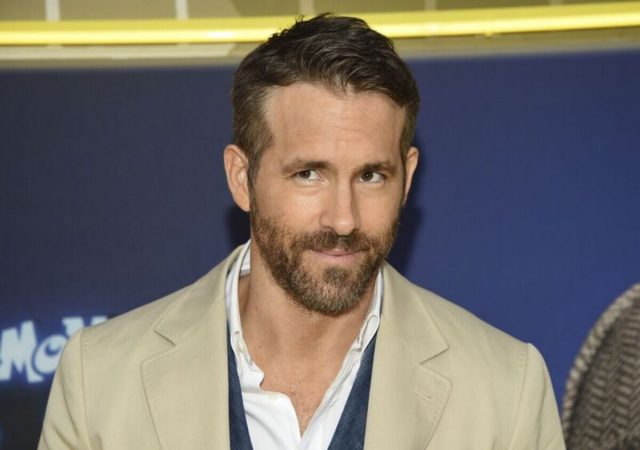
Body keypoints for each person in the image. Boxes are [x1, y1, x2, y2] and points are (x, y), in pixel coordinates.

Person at [39, 14, 565, 450]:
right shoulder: (100, 381)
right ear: (242, 178)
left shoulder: (505, 390)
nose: (343, 219)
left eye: (371, 176)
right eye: (309, 174)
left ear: (407, 178)